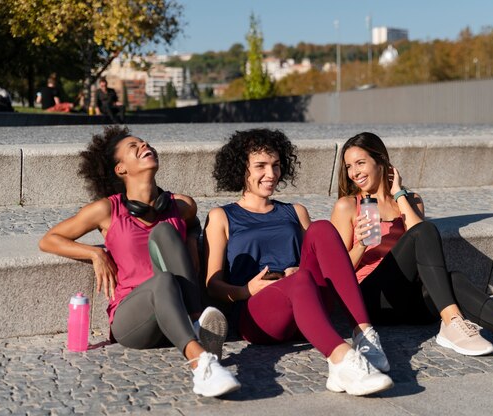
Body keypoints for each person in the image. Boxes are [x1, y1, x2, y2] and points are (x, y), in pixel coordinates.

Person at [38, 125, 240, 397]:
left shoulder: (181, 206)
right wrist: (95, 253)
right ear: (121, 169)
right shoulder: (108, 210)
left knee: (165, 232)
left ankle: (195, 323)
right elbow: (49, 239)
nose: (145, 146)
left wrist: (191, 239)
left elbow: (192, 224)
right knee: (164, 281)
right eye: (134, 147)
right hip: (134, 320)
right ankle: (201, 363)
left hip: (176, 312)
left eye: (146, 143)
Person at [203, 128, 394, 396]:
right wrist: (247, 290)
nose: (271, 174)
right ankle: (342, 361)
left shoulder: (295, 211)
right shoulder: (222, 216)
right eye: (260, 166)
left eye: (276, 165)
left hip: (309, 303)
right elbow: (212, 285)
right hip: (260, 315)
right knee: (301, 278)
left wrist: (360, 244)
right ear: (240, 169)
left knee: (323, 229)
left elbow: (322, 261)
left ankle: (364, 335)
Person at [330, 132, 493, 365]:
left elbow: (422, 239)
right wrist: (361, 245)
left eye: (360, 163)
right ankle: (453, 321)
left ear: (381, 160)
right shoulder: (348, 206)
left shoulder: (411, 200)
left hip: (412, 306)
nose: (354, 172)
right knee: (425, 232)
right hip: (372, 298)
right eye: (349, 166)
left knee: (454, 278)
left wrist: (398, 194)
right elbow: (334, 273)